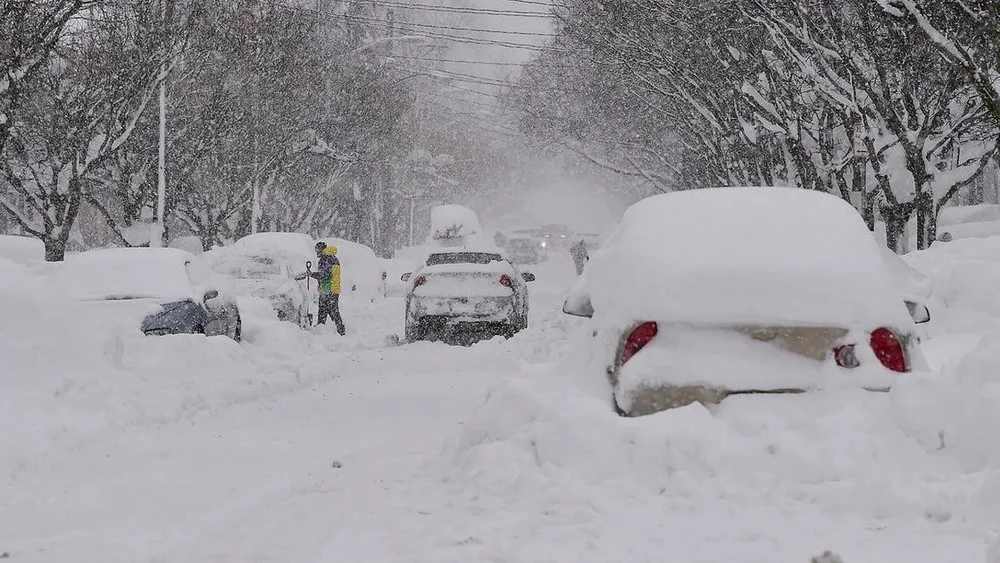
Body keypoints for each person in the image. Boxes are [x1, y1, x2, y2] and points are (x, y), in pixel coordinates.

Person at [297, 241, 346, 335]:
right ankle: (322, 329)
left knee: (332, 312)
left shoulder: (327, 259)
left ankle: (340, 331)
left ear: (322, 249)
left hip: (329, 290)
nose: (316, 252)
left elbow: (325, 275)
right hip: (328, 289)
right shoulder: (331, 258)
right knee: (324, 310)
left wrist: (312, 274)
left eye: (317, 250)